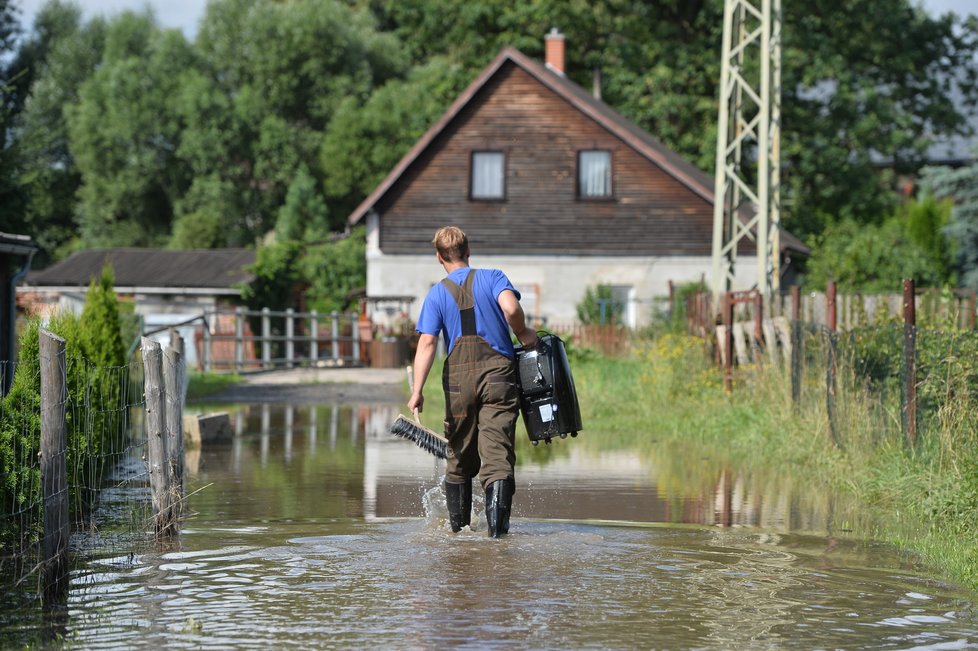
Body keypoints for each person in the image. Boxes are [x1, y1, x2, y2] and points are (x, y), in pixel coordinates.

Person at [408, 226, 538, 537]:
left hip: (458, 383)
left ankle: (459, 536)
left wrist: (417, 391)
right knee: (497, 455)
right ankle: (497, 538)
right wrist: (524, 334)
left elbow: (427, 344)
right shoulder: (493, 277)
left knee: (459, 457)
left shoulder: (437, 292)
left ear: (439, 257)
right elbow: (511, 308)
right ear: (469, 250)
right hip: (499, 377)